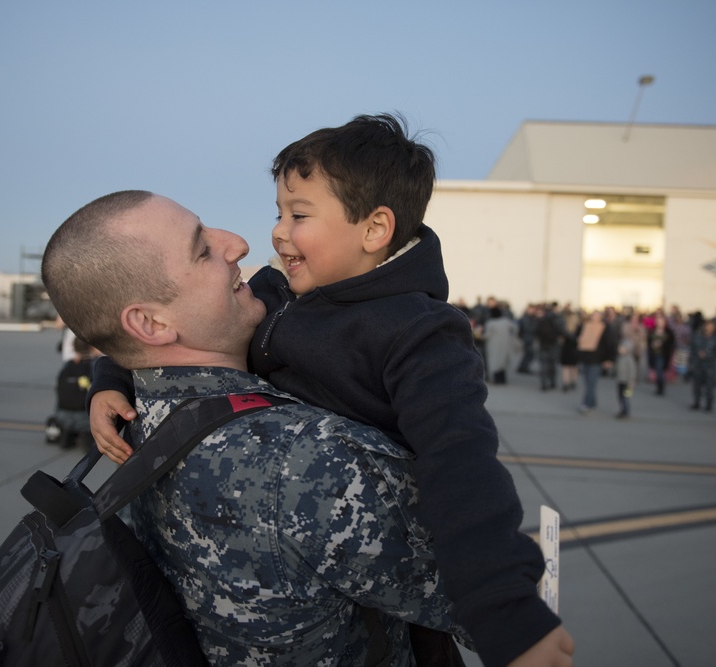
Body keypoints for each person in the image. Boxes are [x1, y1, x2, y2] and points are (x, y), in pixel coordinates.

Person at [89, 114, 571, 665]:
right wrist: (111, 378)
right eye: (279, 212)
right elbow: (153, 335)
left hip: (389, 558)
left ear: (373, 230)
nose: (275, 232)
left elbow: (461, 464)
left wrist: (506, 609)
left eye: (298, 215)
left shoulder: (419, 334)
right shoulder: (280, 292)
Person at [47, 337, 95, 450]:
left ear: (73, 347)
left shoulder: (67, 366)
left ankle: (68, 433)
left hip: (62, 416)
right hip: (84, 419)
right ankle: (85, 435)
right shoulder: (95, 365)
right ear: (92, 347)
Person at [576, 310, 616, 414]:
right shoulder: (585, 325)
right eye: (593, 315)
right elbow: (577, 338)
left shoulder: (605, 327)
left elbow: (609, 344)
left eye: (597, 315)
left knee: (591, 382)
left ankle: (586, 404)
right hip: (585, 357)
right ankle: (592, 402)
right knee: (587, 382)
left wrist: (610, 359)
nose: (594, 317)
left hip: (597, 359)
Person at [688, 319, 716, 412]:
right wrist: (692, 361)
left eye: (711, 326)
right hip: (698, 364)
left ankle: (709, 404)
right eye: (708, 326)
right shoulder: (697, 337)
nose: (709, 328)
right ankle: (696, 402)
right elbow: (692, 349)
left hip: (710, 365)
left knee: (709, 386)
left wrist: (707, 354)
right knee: (697, 385)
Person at [484, 305, 516, 384]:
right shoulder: (506, 321)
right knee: (502, 362)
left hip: (493, 345)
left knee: (494, 362)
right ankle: (502, 379)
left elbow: (487, 335)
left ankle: (496, 380)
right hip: (505, 344)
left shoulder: (490, 323)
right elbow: (515, 328)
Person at [646, 313, 675, 395]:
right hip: (654, 353)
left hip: (662, 354)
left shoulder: (668, 332)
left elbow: (670, 343)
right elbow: (649, 340)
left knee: (660, 371)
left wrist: (661, 344)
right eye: (658, 321)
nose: (659, 323)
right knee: (657, 370)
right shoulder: (653, 331)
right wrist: (652, 344)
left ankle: (661, 387)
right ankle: (659, 386)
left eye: (661, 321)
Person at [614, 321, 637, 419]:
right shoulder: (620, 358)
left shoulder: (629, 360)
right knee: (620, 396)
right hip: (620, 380)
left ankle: (626, 411)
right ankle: (622, 409)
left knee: (626, 396)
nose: (620, 349)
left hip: (627, 382)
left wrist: (631, 382)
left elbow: (632, 372)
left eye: (622, 348)